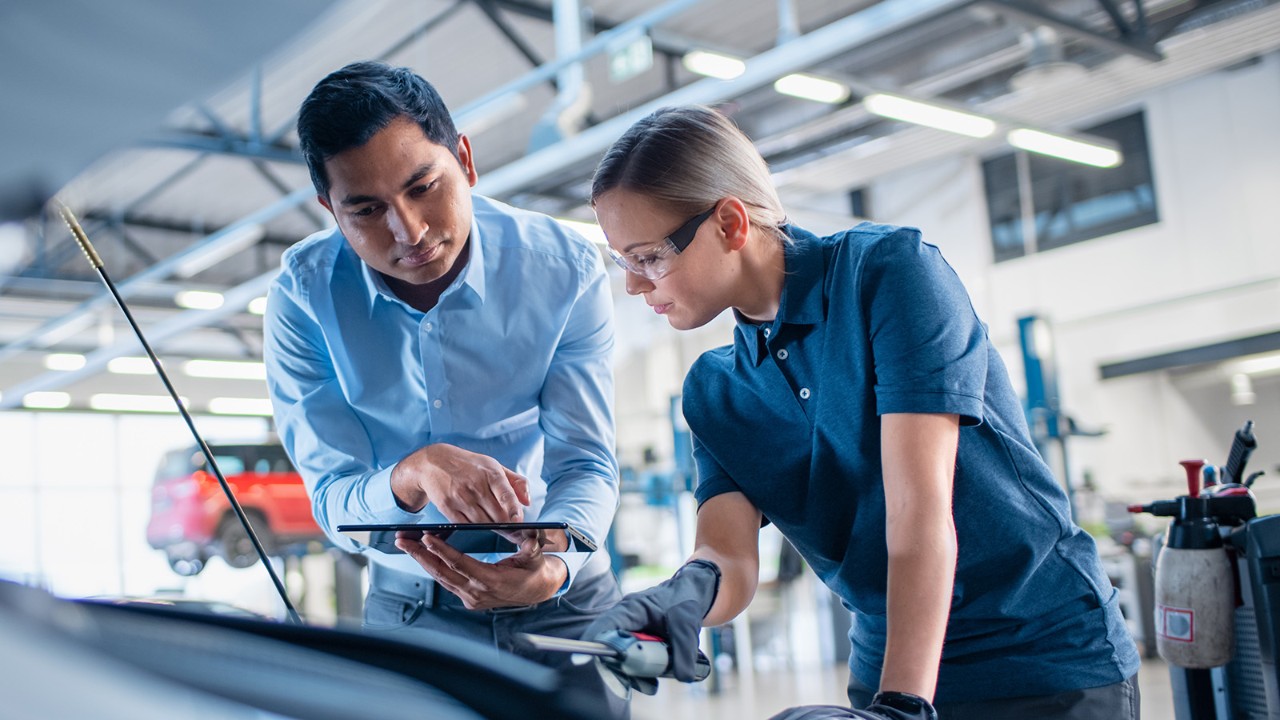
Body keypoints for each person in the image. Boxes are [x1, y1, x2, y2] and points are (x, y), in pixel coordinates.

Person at [584, 105, 1141, 720]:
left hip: (1040, 661)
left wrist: (902, 706)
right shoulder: (716, 391)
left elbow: (916, 511)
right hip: (885, 667)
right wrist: (679, 597)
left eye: (649, 257)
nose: (635, 286)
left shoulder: (888, 275)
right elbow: (731, 557)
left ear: (730, 223)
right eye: (623, 263)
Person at [264, 61, 626, 718]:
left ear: (464, 158)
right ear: (329, 209)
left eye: (423, 187)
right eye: (366, 209)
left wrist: (553, 565)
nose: (409, 231)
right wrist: (410, 475)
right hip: (412, 614)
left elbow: (587, 463)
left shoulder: (565, 269)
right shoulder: (303, 299)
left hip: (566, 603)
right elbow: (334, 498)